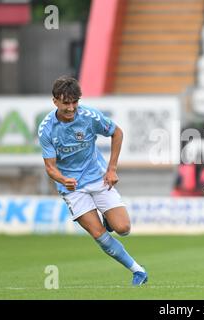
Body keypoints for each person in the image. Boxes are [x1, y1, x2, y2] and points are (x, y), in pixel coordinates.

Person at [37, 76, 148, 286]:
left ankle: (109, 219)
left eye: (74, 102)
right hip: (72, 188)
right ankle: (138, 271)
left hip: (97, 177)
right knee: (99, 234)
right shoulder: (46, 129)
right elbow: (50, 167)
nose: (71, 108)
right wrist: (62, 179)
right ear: (55, 102)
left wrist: (112, 169)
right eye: (65, 103)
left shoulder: (89, 116)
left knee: (123, 228)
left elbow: (117, 133)